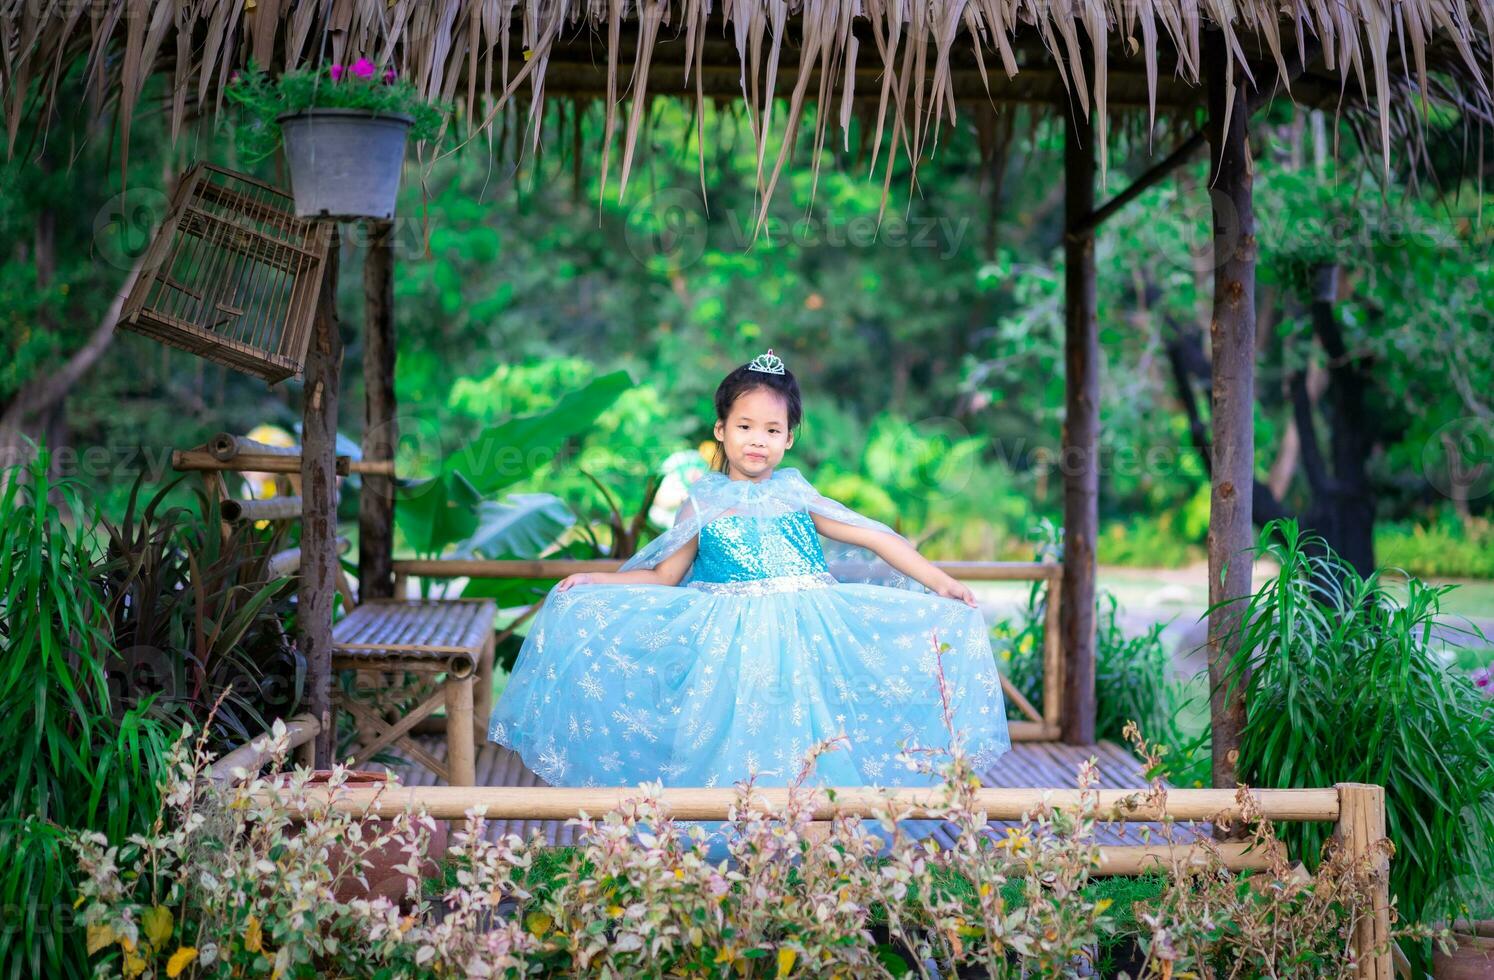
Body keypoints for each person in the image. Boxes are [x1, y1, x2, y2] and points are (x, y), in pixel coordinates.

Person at [487, 349, 1011, 862]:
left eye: (771, 430)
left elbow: (875, 537)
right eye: (745, 426)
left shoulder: (798, 496)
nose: (757, 439)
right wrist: (596, 582)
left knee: (811, 737)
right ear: (721, 430)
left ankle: (817, 849)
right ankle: (727, 849)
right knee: (730, 739)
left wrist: (941, 582)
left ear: (788, 438)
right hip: (729, 650)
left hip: (805, 641)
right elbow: (665, 575)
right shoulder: (702, 502)